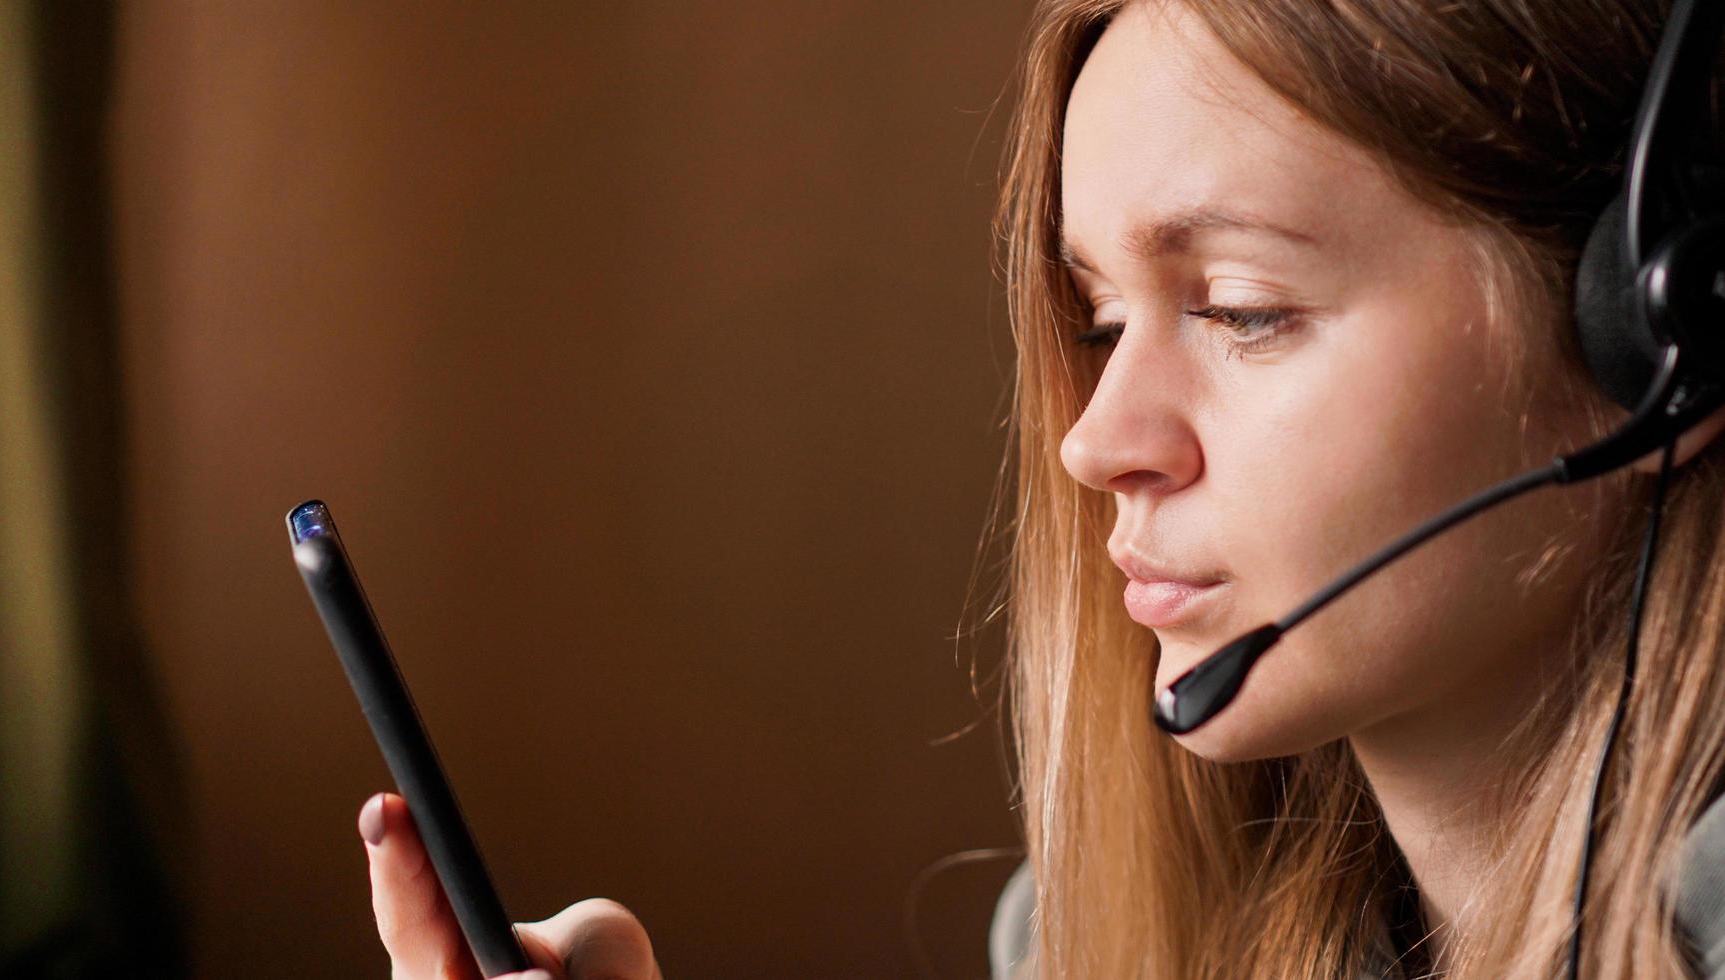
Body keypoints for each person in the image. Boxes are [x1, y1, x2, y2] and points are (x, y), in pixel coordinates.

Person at [356, 0, 1725, 977]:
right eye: (1097, 323)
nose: (1095, 442)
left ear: (1656, 338)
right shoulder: (1094, 941)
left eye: (1241, 309)